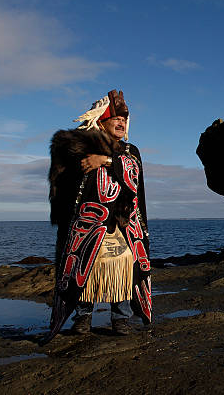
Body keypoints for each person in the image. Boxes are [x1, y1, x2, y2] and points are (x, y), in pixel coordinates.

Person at [44, 90, 152, 343]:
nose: (121, 122)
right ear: (100, 121)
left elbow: (132, 173)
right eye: (115, 118)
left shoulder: (129, 150)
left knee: (123, 268)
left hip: (123, 224)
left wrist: (105, 160)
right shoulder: (79, 146)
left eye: (124, 119)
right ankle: (82, 317)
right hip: (87, 223)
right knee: (86, 266)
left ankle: (121, 318)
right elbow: (69, 164)